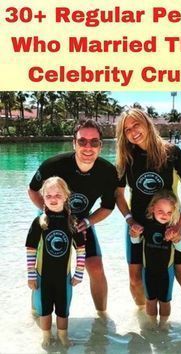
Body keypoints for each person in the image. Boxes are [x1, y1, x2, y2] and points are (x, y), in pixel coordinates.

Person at [115, 108, 181, 332]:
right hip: (137, 228)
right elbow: (118, 195)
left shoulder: (172, 153)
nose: (132, 132)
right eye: (127, 129)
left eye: (135, 125)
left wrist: (179, 225)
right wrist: (130, 221)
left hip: (171, 226)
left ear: (147, 123)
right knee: (135, 277)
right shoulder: (126, 159)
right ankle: (144, 320)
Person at [28, 119, 118, 315]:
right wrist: (49, 213)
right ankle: (36, 315)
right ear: (74, 143)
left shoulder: (108, 172)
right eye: (82, 141)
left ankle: (102, 318)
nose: (88, 147)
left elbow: (108, 207)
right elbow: (33, 190)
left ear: (100, 146)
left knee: (95, 267)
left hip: (81, 222)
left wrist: (87, 222)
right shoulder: (53, 165)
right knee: (45, 268)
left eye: (94, 142)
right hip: (50, 219)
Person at [26, 177, 86, 348]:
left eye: (58, 195)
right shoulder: (40, 223)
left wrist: (79, 274)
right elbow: (30, 250)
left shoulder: (72, 222)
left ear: (66, 196)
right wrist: (31, 276)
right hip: (42, 277)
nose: (53, 199)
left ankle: (62, 336)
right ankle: (46, 336)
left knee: (63, 309)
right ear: (43, 198)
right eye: (49, 196)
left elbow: (80, 249)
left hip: (64, 278)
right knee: (45, 310)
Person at [130, 189, 181, 329]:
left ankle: (163, 325)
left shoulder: (173, 229)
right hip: (148, 270)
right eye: (160, 211)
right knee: (150, 300)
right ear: (152, 208)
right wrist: (134, 234)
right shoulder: (146, 226)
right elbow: (135, 242)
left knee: (165, 301)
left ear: (173, 213)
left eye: (168, 212)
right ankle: (152, 324)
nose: (164, 215)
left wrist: (177, 239)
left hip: (166, 273)